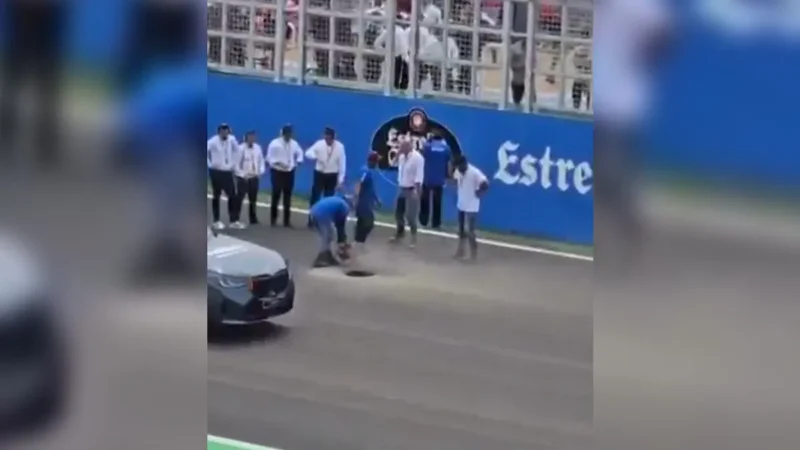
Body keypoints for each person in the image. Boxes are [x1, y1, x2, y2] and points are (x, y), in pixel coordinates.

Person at [305, 127, 347, 227]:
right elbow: (308, 153)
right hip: (319, 174)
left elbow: (342, 163)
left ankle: (324, 221)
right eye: (326, 138)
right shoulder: (319, 144)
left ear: (333, 138)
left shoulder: (340, 147)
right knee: (315, 197)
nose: (328, 140)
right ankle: (312, 220)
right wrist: (315, 156)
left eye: (330, 138)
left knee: (328, 199)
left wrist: (340, 179)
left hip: (332, 175)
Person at [451, 155, 489, 261]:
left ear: (465, 164)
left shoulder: (474, 172)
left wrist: (479, 192)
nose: (458, 168)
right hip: (461, 204)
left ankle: (473, 255)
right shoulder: (458, 170)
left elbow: (485, 183)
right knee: (461, 229)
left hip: (472, 205)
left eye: (459, 166)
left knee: (470, 231)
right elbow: (455, 180)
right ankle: (461, 251)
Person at [266, 124, 304, 227]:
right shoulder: (274, 143)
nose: (288, 136)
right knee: (276, 193)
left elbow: (300, 153)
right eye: (286, 134)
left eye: (290, 134)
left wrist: (298, 162)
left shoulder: (294, 144)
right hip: (277, 171)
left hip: (289, 172)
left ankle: (286, 221)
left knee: (287, 196)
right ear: (282, 134)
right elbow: (269, 158)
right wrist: (277, 163)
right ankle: (273, 219)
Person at [390, 140, 425, 247]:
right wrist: (397, 155)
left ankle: (413, 238)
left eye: (402, 147)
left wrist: (417, 192)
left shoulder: (417, 158)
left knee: (411, 216)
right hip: (401, 188)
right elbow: (392, 164)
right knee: (398, 213)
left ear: (409, 147)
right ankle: (400, 234)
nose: (400, 149)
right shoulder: (401, 157)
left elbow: (419, 176)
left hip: (412, 189)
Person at [208, 123, 239, 230]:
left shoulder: (232, 140)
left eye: (226, 130)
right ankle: (216, 220)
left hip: (227, 171)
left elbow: (237, 151)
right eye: (222, 130)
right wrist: (210, 164)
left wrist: (233, 164)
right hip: (216, 171)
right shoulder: (212, 141)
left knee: (232, 195)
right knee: (216, 195)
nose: (224, 132)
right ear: (219, 131)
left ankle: (233, 220)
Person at [232, 130, 266, 229]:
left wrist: (260, 172)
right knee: (239, 198)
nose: (252, 139)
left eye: (253, 137)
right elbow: (236, 164)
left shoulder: (258, 148)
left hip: (254, 177)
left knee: (253, 199)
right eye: (250, 137)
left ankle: (253, 218)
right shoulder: (240, 148)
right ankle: (235, 218)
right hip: (243, 178)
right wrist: (242, 175)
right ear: (246, 138)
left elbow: (261, 161)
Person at [308, 195, 352, 268]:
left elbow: (339, 225)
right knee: (325, 236)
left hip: (314, 212)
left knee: (329, 235)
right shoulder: (345, 207)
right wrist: (341, 242)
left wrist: (341, 241)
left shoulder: (338, 201)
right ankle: (320, 259)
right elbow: (340, 225)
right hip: (321, 215)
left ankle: (328, 256)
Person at [419, 130, 451, 229]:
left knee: (425, 201)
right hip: (439, 179)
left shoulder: (428, 146)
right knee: (437, 202)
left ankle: (423, 222)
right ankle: (436, 224)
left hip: (427, 177)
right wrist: (448, 176)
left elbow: (421, 155)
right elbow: (448, 164)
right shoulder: (446, 148)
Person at [353, 151, 382, 253]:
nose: (377, 164)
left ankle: (358, 244)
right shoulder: (365, 171)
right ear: (372, 162)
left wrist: (376, 199)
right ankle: (358, 243)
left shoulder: (367, 171)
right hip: (363, 204)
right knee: (368, 223)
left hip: (366, 203)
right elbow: (358, 184)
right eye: (376, 162)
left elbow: (371, 189)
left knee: (362, 223)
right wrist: (355, 198)